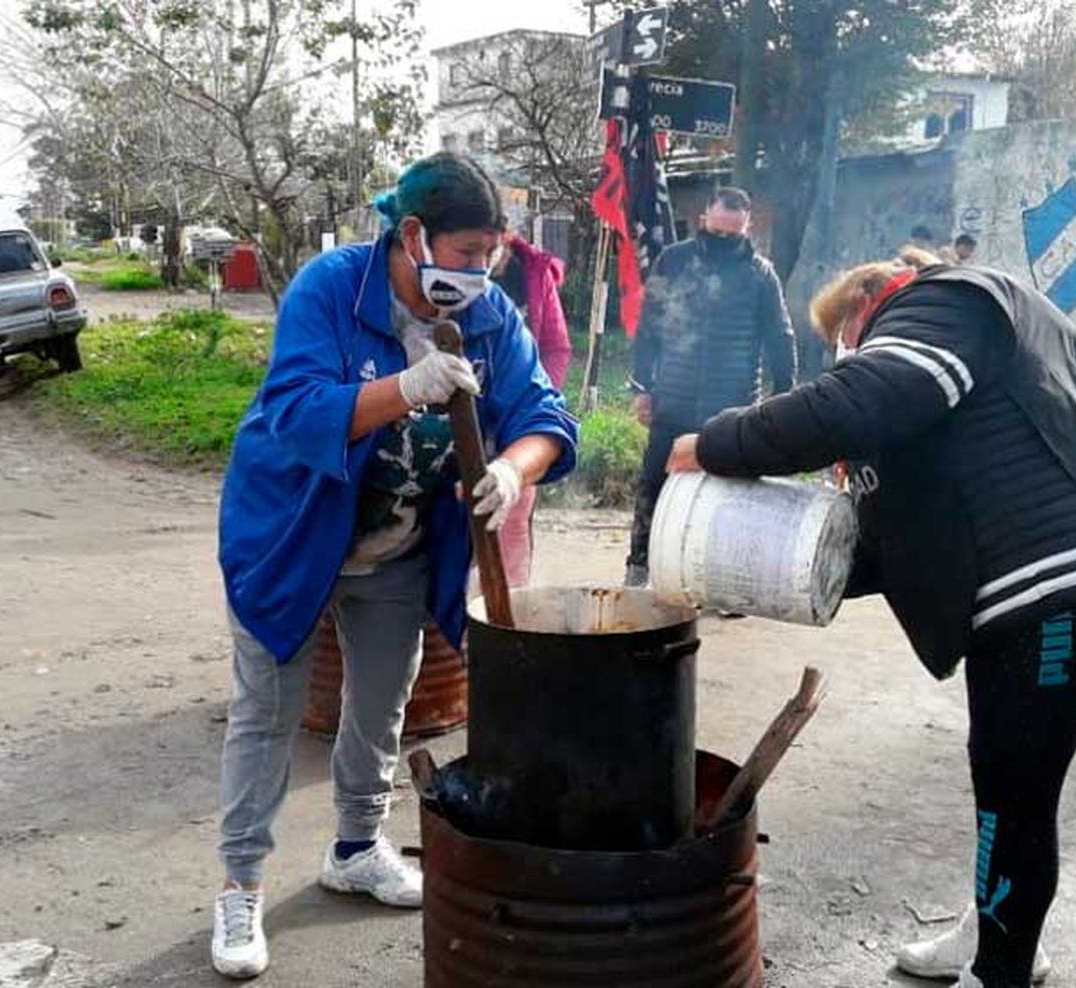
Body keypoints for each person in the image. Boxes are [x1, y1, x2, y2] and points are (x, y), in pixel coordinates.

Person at [665, 248, 1076, 988]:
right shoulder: (975, 350)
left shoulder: (946, 303)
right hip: (1063, 586)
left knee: (1015, 792)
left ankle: (1001, 969)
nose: (847, 357)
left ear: (868, 303)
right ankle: (998, 935)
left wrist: (714, 443)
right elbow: (901, 533)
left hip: (1059, 588)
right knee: (1011, 782)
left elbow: (857, 401)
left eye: (847, 340)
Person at [211, 152, 577, 979]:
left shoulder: (490, 316)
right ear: (412, 234)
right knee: (266, 715)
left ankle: (355, 847)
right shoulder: (330, 289)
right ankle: (240, 883)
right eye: (465, 250)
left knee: (381, 707)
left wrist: (514, 469)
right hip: (293, 540)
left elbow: (544, 412)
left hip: (397, 552)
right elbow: (298, 410)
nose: (478, 271)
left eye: (491, 253)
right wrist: (409, 387)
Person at [624, 186, 797, 587]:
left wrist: (784, 395)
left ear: (746, 228)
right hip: (674, 399)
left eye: (732, 235)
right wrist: (643, 388)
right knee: (654, 481)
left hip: (734, 407)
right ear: (705, 220)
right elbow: (648, 327)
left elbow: (780, 337)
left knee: (732, 499)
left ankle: (726, 583)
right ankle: (638, 568)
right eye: (717, 232)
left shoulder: (760, 274)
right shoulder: (674, 260)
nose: (723, 241)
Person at [491, 231, 573, 586]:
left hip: (517, 419)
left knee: (512, 523)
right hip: (451, 412)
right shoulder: (445, 271)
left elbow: (556, 347)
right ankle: (453, 626)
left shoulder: (535, 272)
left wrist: (537, 404)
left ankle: (507, 618)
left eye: (491, 245)